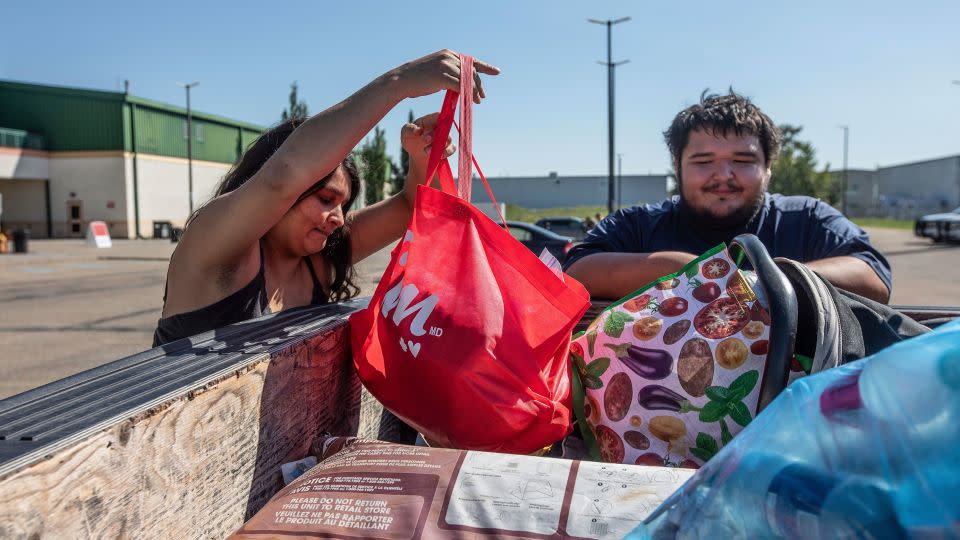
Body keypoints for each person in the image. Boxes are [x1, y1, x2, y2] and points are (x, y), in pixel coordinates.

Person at [154, 50, 499, 346]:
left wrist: (422, 157)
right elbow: (282, 177)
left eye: (343, 205)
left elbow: (410, 207)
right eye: (324, 199)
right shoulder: (215, 249)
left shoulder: (316, 261)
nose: (338, 218)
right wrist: (400, 81)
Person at [564, 90, 891, 303]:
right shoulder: (637, 224)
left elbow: (872, 275)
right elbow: (576, 272)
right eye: (704, 162)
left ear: (769, 168)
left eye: (744, 161)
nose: (723, 175)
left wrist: (761, 279)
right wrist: (689, 270)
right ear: (676, 167)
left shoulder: (806, 217)